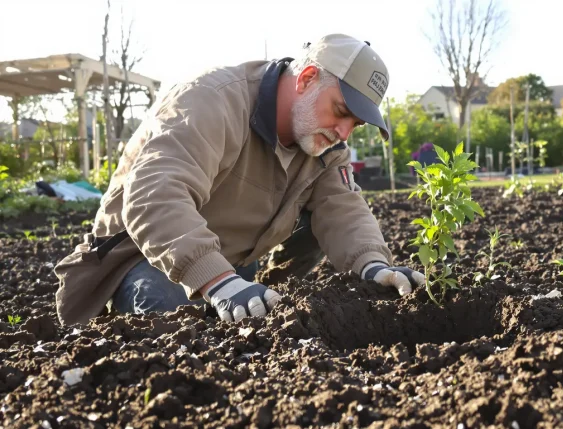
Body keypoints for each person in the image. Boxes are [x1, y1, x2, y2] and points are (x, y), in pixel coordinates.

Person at [53, 34, 425, 325]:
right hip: (144, 256)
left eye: (355, 124)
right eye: (341, 111)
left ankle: (265, 301)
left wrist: (374, 265)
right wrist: (218, 282)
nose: (344, 132)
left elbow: (344, 207)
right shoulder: (212, 100)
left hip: (234, 262)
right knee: (169, 319)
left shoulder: (325, 144)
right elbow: (155, 195)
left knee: (322, 213)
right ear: (307, 78)